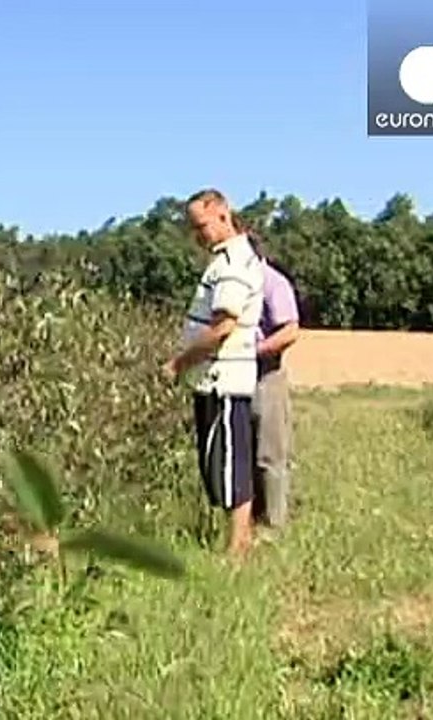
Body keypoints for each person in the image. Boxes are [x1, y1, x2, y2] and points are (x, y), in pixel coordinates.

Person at [165, 189, 265, 559]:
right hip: (213, 380)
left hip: (224, 379)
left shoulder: (234, 262)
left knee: (230, 465)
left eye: (201, 225)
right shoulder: (223, 260)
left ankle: (238, 547)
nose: (198, 235)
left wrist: (180, 363)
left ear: (223, 213)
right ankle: (239, 541)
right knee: (219, 463)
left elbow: (224, 326)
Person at [247, 233, 301, 537]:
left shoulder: (272, 282)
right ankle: (249, 521)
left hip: (267, 374)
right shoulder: (234, 284)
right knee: (244, 450)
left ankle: (273, 526)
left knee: (270, 453)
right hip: (237, 374)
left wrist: (253, 351)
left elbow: (290, 331)